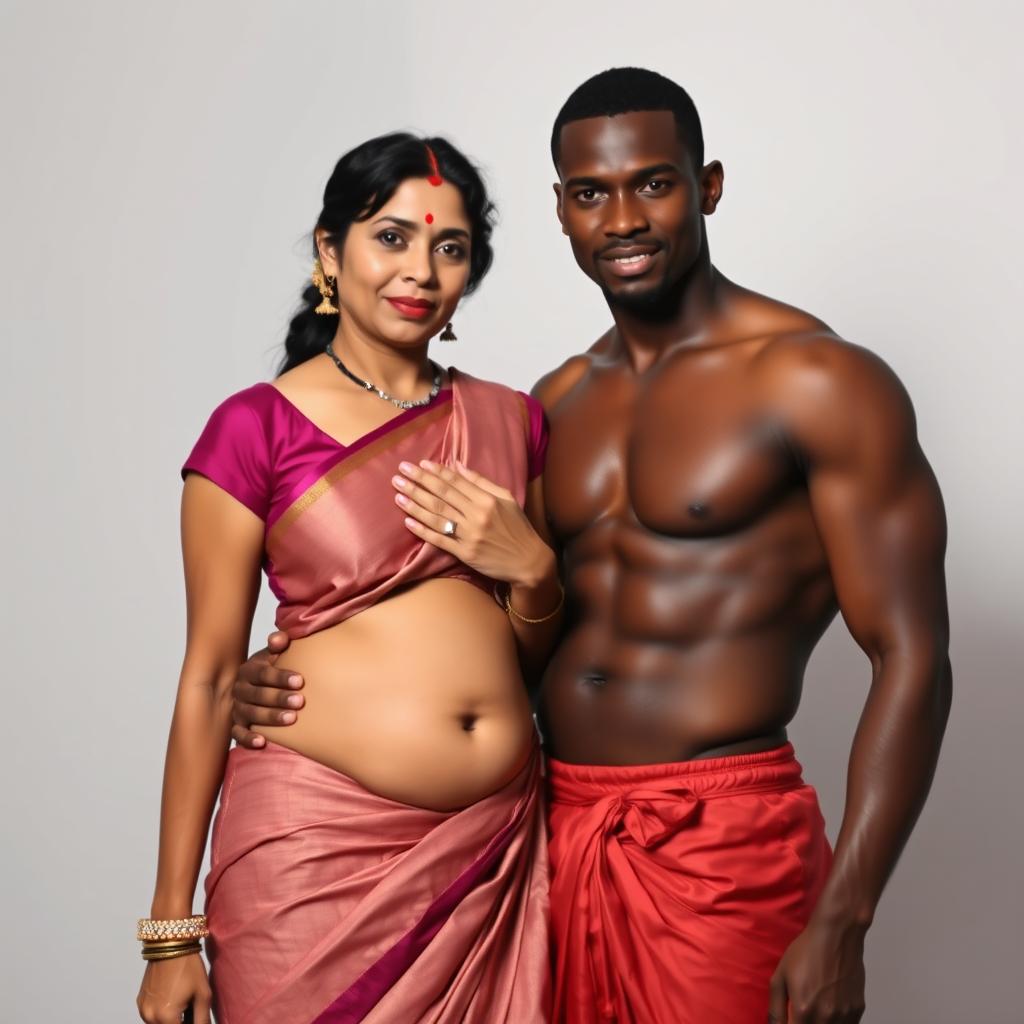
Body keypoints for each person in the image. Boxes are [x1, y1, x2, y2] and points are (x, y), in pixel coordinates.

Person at [232, 68, 952, 1024]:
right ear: (560, 211)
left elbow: (913, 654)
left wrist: (844, 919)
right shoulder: (553, 404)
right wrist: (294, 677)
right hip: (540, 839)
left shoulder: (816, 380)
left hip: (718, 836)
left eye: (653, 183)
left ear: (709, 187)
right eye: (590, 193)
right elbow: (479, 624)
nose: (623, 218)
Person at [135, 133, 563, 1024]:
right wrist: (171, 932)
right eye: (392, 237)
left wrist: (534, 573)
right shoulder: (256, 428)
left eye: (450, 248)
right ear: (332, 252)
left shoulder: (510, 421)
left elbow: (532, 659)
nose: (420, 270)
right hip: (314, 856)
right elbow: (212, 679)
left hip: (491, 859)